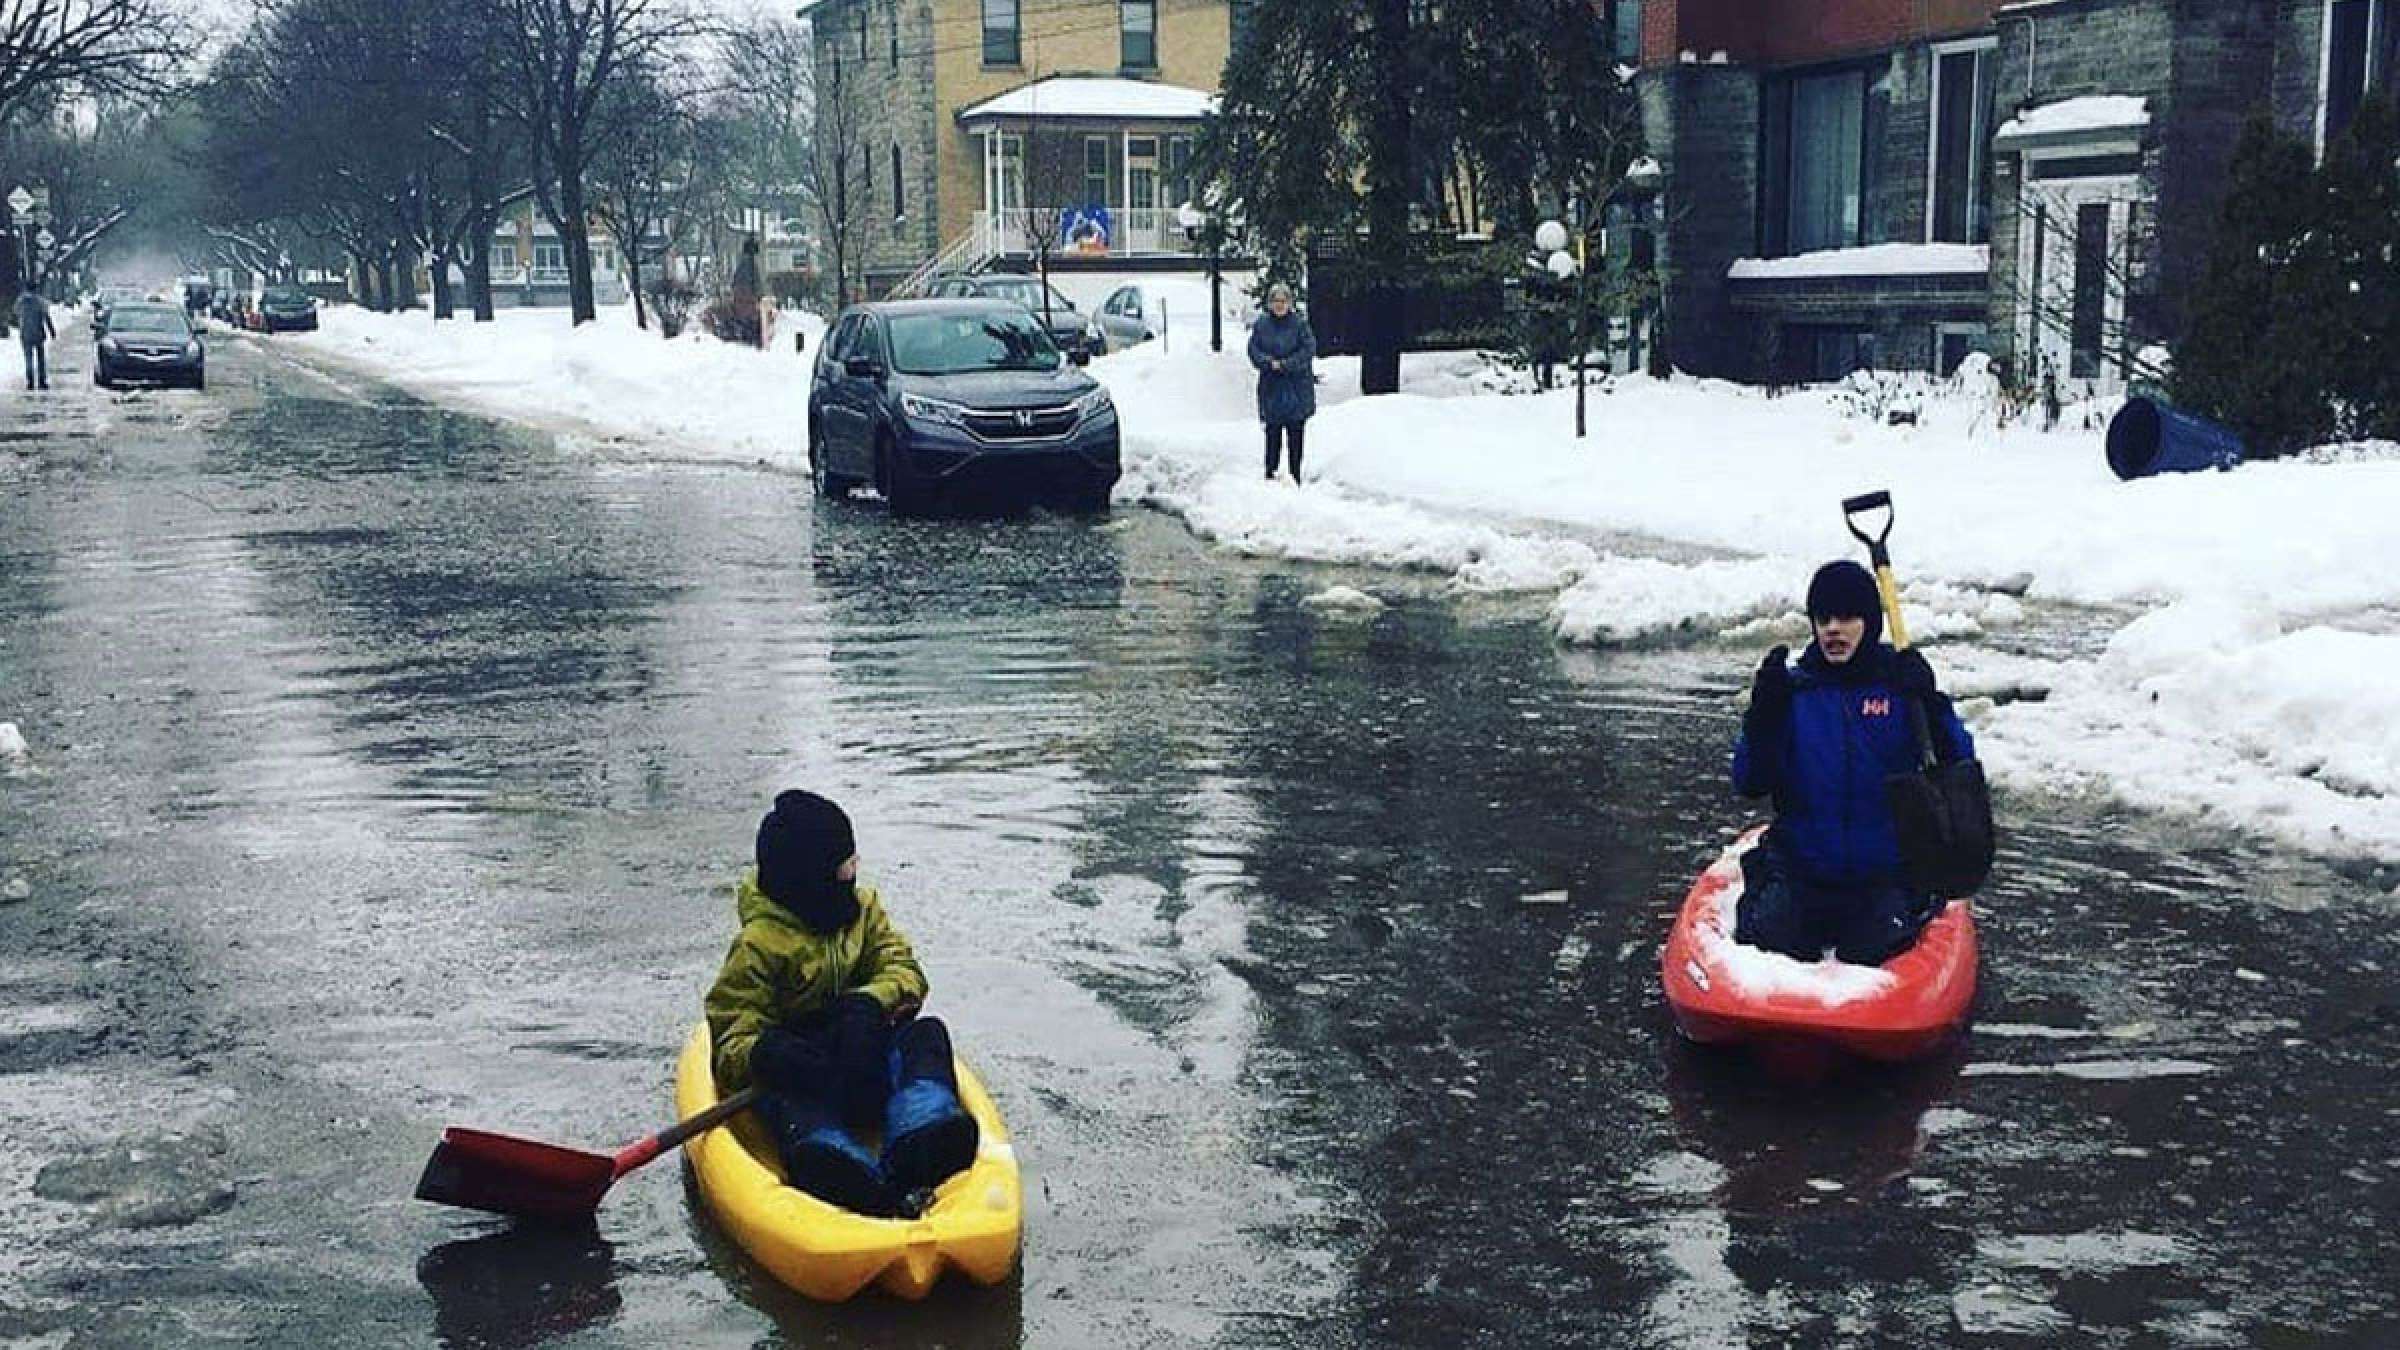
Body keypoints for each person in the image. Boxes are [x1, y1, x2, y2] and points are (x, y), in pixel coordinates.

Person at [704, 789, 978, 1216]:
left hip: (865, 1056)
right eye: (846, 862)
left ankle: (922, 1127)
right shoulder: (757, 946)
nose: (856, 869)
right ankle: (832, 1158)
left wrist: (870, 1004)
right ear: (814, 877)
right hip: (810, 1072)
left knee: (928, 1035)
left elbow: (904, 968)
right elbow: (731, 1034)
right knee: (789, 1099)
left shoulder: (864, 911)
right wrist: (768, 1053)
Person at [1730, 560, 1977, 965]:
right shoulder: (1794, 693)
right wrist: (1762, 718)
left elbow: (1958, 765)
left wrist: (1932, 704)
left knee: (1874, 948)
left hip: (1883, 876)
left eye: (1847, 617)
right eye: (1823, 618)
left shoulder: (1901, 689)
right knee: (1770, 937)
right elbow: (1749, 782)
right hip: (1802, 871)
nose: (1833, 629)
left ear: (1870, 623)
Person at [1247, 281, 1316, 484]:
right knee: (1272, 435)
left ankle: (1295, 476)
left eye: (1283, 301)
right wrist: (1269, 363)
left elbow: (1308, 350)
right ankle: (1271, 474)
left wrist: (1286, 365)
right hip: (1271, 389)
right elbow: (1253, 350)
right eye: (1276, 301)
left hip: (1296, 389)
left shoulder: (1300, 325)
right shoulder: (1261, 325)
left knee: (1295, 436)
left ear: (1290, 303)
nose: (1279, 305)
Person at [17, 287, 55, 390]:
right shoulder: (40, 302)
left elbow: (16, 313)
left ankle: (30, 382)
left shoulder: (21, 301)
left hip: (25, 334)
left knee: (28, 359)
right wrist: (52, 330)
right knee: (40, 359)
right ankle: (41, 381)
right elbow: (46, 317)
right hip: (38, 333)